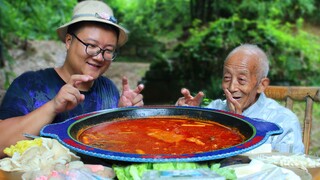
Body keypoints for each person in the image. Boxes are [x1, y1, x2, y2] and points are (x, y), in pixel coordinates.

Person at [0, 0, 144, 158]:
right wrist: (53, 106)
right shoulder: (30, 85)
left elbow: (116, 148)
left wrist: (125, 116)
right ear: (69, 41)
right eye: (91, 45)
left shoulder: (108, 89)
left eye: (108, 50)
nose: (99, 57)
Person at [176, 44, 305, 154]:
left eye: (241, 80)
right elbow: (188, 148)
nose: (232, 87)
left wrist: (238, 126)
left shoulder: (283, 121)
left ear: (261, 85)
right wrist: (185, 116)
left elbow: (291, 170)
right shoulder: (215, 110)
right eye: (227, 78)